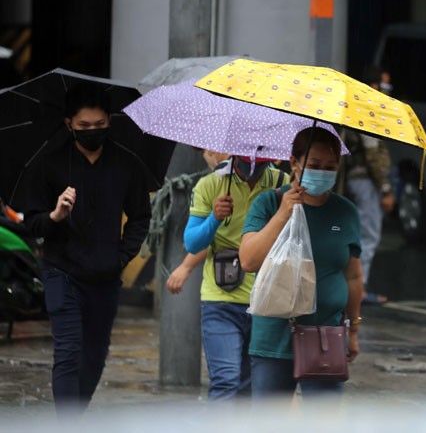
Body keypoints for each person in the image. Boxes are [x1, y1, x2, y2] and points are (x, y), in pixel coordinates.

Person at [22, 84, 151, 413]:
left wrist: (121, 256)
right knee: (68, 350)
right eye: (84, 127)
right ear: (69, 124)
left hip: (105, 277)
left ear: (109, 121)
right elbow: (32, 223)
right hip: (60, 271)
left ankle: (75, 417)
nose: (93, 132)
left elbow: (140, 217)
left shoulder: (126, 163)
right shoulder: (49, 165)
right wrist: (56, 215)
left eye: (99, 126)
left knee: (95, 354)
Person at [239, 127, 362, 398]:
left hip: (325, 337)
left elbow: (353, 276)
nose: (323, 172)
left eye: (330, 167)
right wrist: (284, 212)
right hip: (274, 338)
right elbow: (248, 260)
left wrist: (353, 328)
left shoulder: (346, 212)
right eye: (315, 165)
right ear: (294, 163)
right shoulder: (269, 203)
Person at [166, 155, 287, 401]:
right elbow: (192, 242)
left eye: (260, 155)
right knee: (225, 380)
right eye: (246, 155)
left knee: (250, 386)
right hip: (220, 299)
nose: (252, 161)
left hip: (266, 301)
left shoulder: (282, 184)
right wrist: (215, 217)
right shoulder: (210, 184)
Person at [343, 65, 396, 304]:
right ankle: (359, 288)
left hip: (354, 180)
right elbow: (373, 155)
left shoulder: (356, 108)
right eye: (383, 86)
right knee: (368, 235)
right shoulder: (368, 111)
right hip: (365, 181)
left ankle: (355, 286)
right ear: (372, 85)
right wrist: (385, 188)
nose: (386, 91)